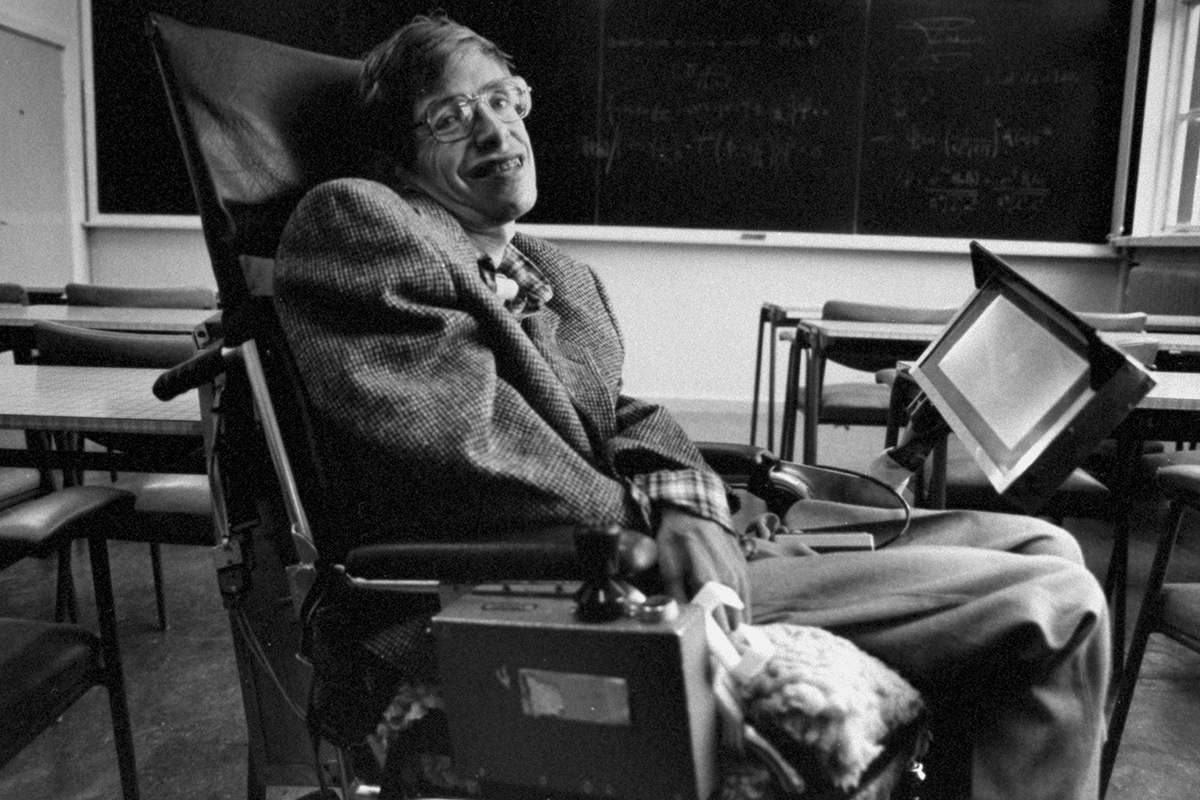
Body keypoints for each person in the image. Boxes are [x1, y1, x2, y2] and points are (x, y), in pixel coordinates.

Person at [272, 12, 1109, 800]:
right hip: (551, 584)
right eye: (451, 118)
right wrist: (659, 524)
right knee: (1059, 608)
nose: (496, 132)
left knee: (1045, 541)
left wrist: (693, 503)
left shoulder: (555, 272)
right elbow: (466, 447)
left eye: (502, 99)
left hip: (647, 543)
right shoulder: (358, 220)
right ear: (398, 161)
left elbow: (619, 416)